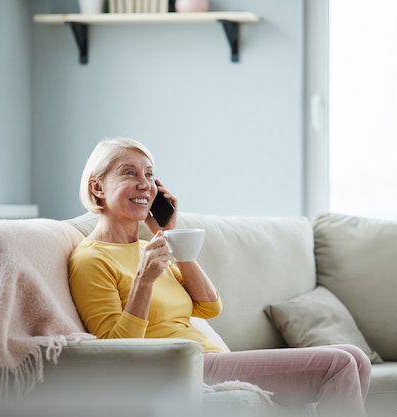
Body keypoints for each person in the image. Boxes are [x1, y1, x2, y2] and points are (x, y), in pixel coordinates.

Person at [68, 137, 371, 417]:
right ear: (97, 188)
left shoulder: (149, 248)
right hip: (178, 367)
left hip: (208, 357)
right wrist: (143, 282)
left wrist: (173, 234)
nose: (145, 185)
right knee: (340, 363)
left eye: (149, 175)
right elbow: (113, 351)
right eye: (129, 173)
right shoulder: (91, 259)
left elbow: (209, 307)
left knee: (355, 357)